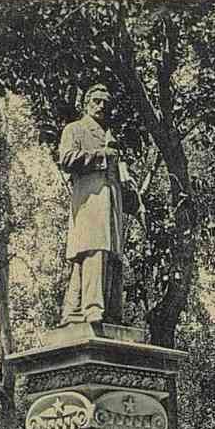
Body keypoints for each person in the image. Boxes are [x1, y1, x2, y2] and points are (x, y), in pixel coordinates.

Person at [58, 84, 139, 325]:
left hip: (112, 200)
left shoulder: (111, 136)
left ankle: (107, 312)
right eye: (96, 101)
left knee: (112, 255)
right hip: (89, 200)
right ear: (86, 103)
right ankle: (93, 308)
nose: (102, 106)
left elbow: (119, 171)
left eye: (106, 103)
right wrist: (102, 155)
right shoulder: (75, 129)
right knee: (93, 250)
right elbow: (66, 159)